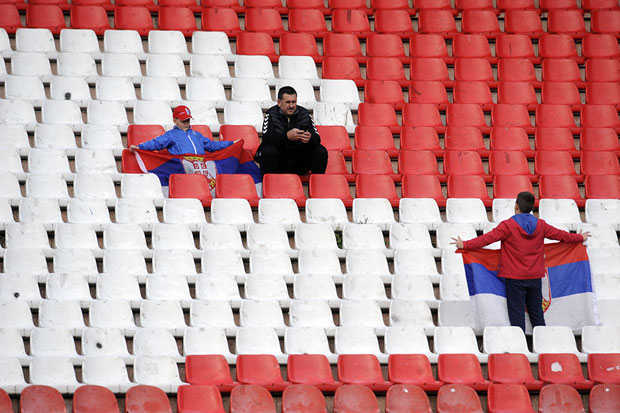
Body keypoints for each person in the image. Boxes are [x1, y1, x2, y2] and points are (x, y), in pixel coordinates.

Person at [450, 191, 590, 331]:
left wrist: (465, 244)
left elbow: (487, 239)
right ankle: (543, 341)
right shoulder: (541, 225)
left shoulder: (508, 226)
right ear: (532, 208)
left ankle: (520, 343)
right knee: (537, 314)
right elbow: (561, 235)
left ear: (516, 206)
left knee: (517, 315)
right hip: (535, 277)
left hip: (514, 278)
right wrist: (579, 237)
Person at [255, 86, 328, 176]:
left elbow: (317, 139)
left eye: (294, 102)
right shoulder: (271, 114)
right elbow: (267, 139)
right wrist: (286, 136)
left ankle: (317, 183)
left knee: (320, 151)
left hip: (299, 160)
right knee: (268, 151)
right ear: (279, 102)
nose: (291, 106)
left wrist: (310, 138)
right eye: (288, 102)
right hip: (279, 161)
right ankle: (269, 183)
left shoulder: (304, 113)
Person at [130, 105, 239, 154]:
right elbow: (156, 143)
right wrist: (140, 147)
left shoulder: (197, 135)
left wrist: (231, 144)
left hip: (200, 167)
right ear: (175, 121)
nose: (186, 123)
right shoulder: (170, 135)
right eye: (183, 121)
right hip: (183, 169)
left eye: (188, 120)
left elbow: (212, 145)